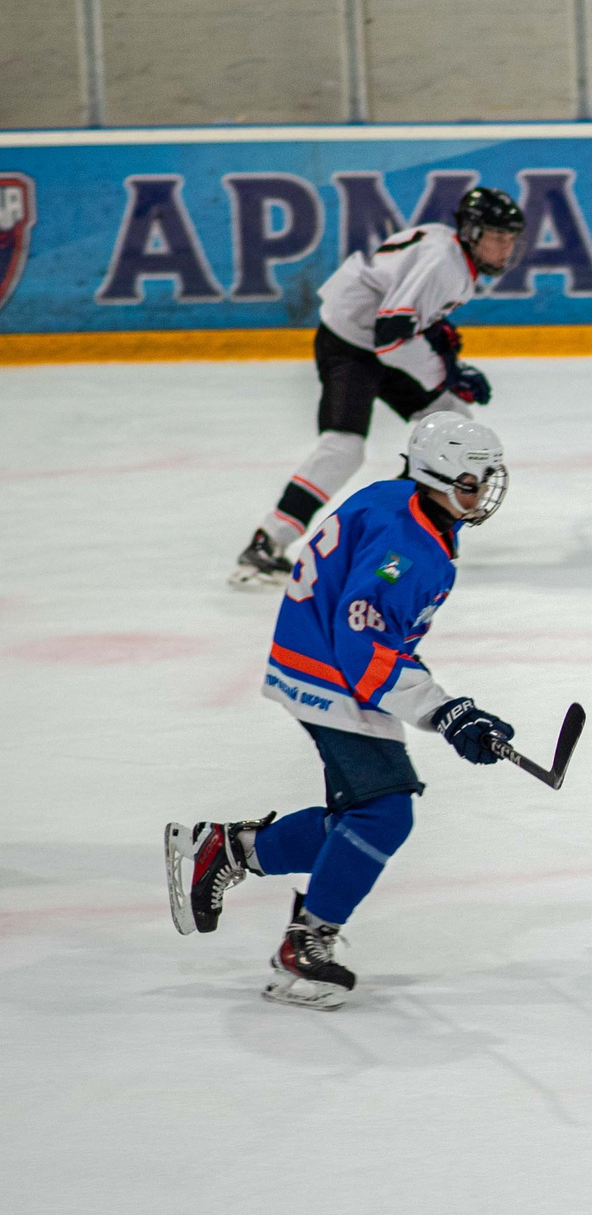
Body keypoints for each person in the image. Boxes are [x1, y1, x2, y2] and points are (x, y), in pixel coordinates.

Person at [168, 412, 520, 1009]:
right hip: (327, 670)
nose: (481, 492)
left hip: (323, 656)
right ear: (438, 477)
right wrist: (445, 711)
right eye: (470, 481)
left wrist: (446, 710)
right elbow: (363, 648)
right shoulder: (406, 547)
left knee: (354, 821)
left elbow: (373, 632)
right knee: (385, 816)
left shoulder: (405, 501)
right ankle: (305, 944)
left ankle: (231, 849)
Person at [229, 186, 525, 587]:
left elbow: (400, 314)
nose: (506, 249)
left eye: (511, 239)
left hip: (376, 341)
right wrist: (444, 373)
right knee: (343, 449)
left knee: (451, 417)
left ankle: (408, 534)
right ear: (473, 233)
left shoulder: (445, 246)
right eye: (498, 237)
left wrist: (446, 361)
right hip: (352, 345)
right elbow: (392, 336)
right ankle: (267, 543)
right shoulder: (444, 263)